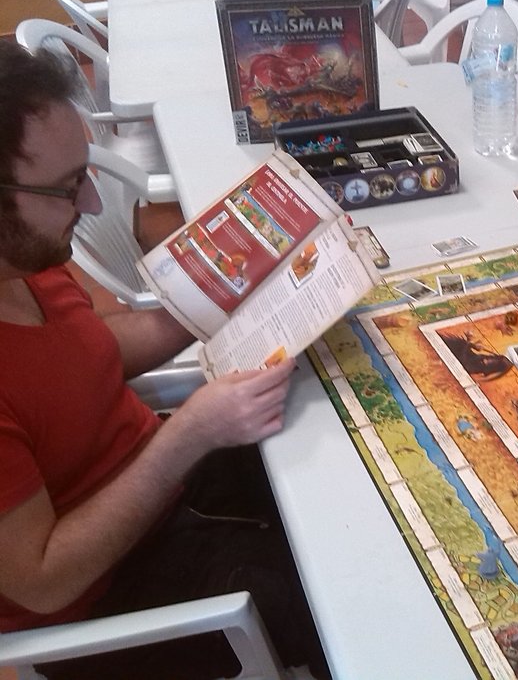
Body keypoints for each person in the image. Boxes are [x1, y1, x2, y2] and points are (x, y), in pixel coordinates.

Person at [0, 41, 327, 678]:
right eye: (68, 188)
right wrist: (190, 434)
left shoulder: (24, 263)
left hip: (163, 487)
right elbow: (43, 580)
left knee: (331, 443)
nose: (92, 204)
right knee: (336, 593)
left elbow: (90, 357)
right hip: (108, 604)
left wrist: (227, 289)